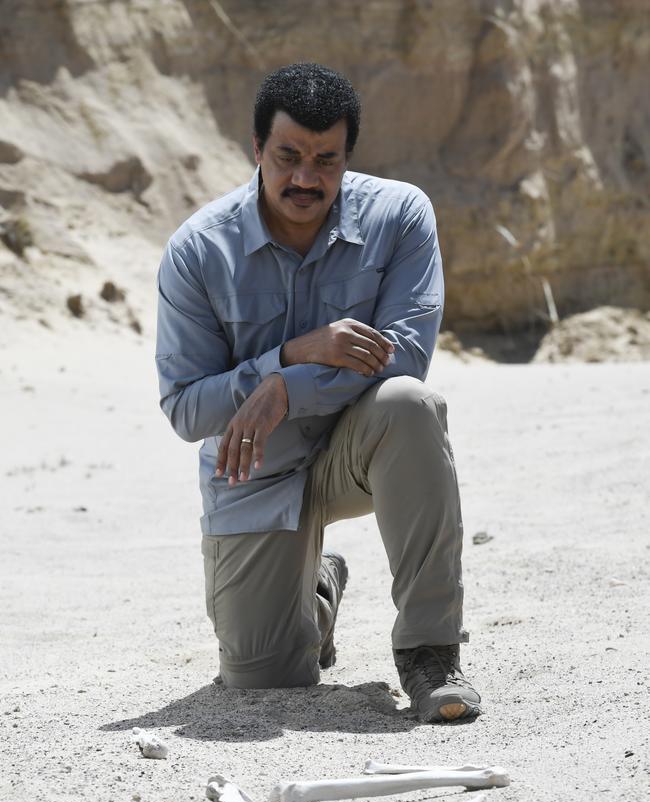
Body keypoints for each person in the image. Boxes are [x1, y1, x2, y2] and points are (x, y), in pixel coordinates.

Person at [156, 63, 482, 723]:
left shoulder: (400, 216)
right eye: (287, 157)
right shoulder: (196, 251)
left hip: (360, 450)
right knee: (262, 678)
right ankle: (319, 587)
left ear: (348, 158)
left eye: (325, 161)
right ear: (256, 151)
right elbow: (186, 408)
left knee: (409, 407)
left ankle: (430, 652)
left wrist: (284, 388)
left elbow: (406, 358)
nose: (305, 178)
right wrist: (287, 357)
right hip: (255, 472)